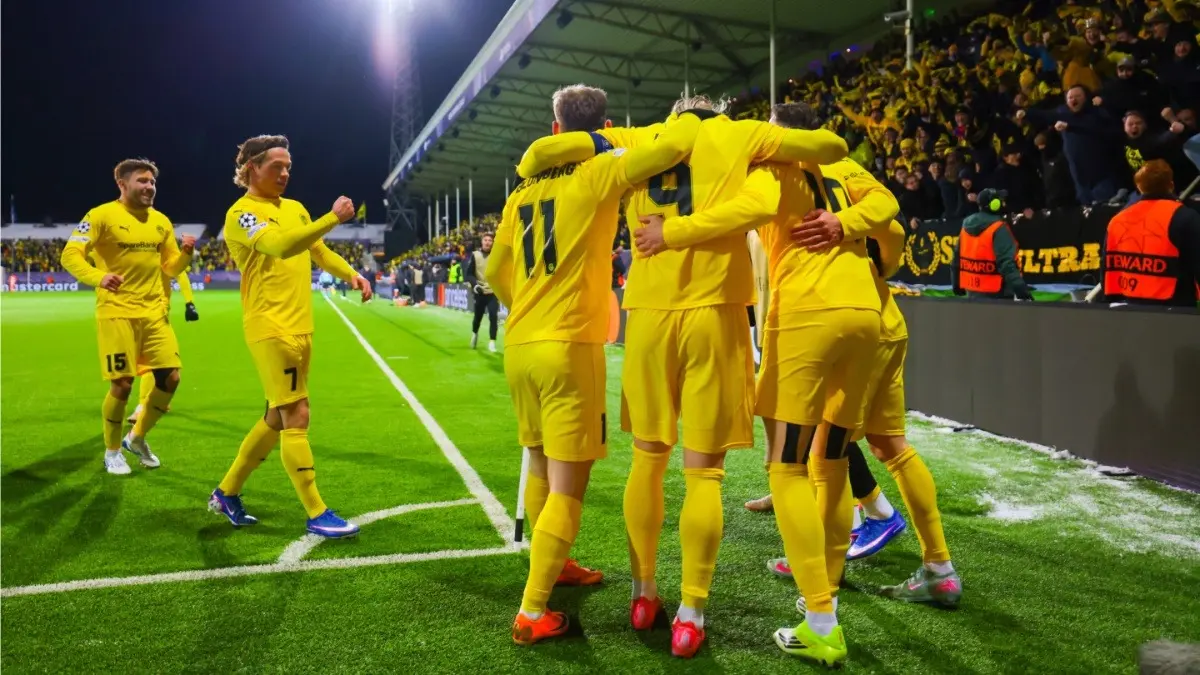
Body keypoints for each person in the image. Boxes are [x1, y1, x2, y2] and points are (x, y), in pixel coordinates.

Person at [517, 95, 848, 659]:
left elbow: (541, 155)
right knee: (704, 475)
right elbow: (832, 147)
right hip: (716, 310)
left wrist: (597, 140)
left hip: (647, 312)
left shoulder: (639, 135)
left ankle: (643, 593)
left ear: (675, 113)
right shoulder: (743, 134)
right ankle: (691, 613)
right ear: (714, 111)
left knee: (648, 459)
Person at [486, 84, 701, 647]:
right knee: (568, 486)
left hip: (520, 343)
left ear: (555, 129)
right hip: (569, 345)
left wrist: (523, 309)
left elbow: (491, 273)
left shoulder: (521, 193)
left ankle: (554, 566)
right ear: (597, 128)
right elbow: (673, 147)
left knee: (537, 461)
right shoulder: (600, 172)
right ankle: (533, 609)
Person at [209, 134, 372, 538]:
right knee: (297, 414)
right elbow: (281, 247)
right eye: (276, 167)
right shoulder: (242, 213)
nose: (285, 174)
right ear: (251, 169)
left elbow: (317, 251)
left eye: (288, 167)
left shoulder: (296, 209)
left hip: (301, 325)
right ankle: (316, 511)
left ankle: (226, 492)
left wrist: (350, 273)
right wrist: (332, 217)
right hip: (271, 327)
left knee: (275, 418)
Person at [61, 158, 195, 475]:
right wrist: (98, 277)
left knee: (171, 378)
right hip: (117, 312)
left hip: (154, 313)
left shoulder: (161, 221)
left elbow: (171, 268)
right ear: (122, 183)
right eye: (142, 181)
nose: (149, 187)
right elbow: (70, 254)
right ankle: (111, 452)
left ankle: (136, 438)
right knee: (122, 385)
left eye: (152, 182)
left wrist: (187, 253)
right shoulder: (101, 215)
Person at [1103, 160, 1200, 307]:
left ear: (1139, 187)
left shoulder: (1117, 220)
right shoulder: (1185, 217)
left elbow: (1106, 268)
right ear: (1171, 185)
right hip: (1176, 307)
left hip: (1128, 305)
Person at [127, 268, 200, 425]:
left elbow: (180, 272)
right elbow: (180, 273)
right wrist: (189, 303)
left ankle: (150, 402)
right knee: (159, 361)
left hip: (152, 310)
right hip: (146, 310)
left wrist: (189, 303)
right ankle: (151, 402)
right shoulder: (155, 249)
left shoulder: (154, 249)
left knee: (156, 361)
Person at [951, 188, 1034, 300]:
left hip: (972, 290)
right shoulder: (998, 228)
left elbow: (956, 259)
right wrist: (1021, 290)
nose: (1002, 202)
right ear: (995, 205)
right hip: (997, 291)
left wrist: (956, 283)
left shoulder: (966, 225)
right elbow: (1007, 264)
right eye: (999, 200)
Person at [466, 233, 499, 352]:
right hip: (479, 291)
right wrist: (475, 285)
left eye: (490, 240)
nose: (487, 242)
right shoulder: (475, 255)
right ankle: (474, 334)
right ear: (482, 242)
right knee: (478, 317)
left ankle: (492, 342)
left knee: (493, 316)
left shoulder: (496, 256)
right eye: (485, 240)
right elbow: (468, 274)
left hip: (493, 291)